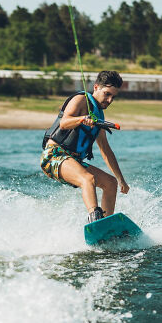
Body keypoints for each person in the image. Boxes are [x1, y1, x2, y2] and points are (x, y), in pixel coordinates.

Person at [41, 70, 130, 223]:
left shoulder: (99, 116)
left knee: (110, 183)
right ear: (96, 87)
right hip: (54, 156)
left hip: (73, 161)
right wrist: (82, 119)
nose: (109, 100)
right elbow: (64, 123)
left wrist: (121, 179)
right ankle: (94, 219)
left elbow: (105, 150)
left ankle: (106, 224)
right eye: (107, 94)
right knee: (88, 179)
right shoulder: (80, 100)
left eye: (113, 97)